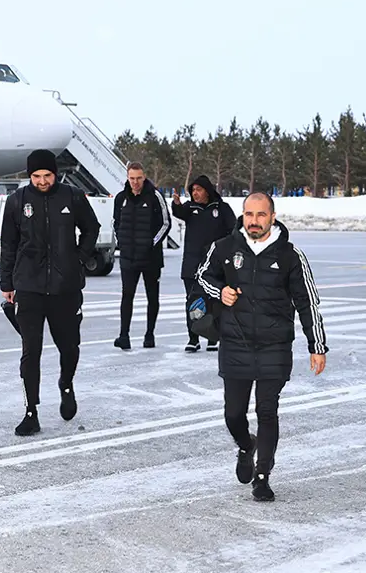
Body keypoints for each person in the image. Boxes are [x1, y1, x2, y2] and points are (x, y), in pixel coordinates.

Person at [196, 192, 328, 501]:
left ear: (272, 217)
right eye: (249, 214)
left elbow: (307, 303)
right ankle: (246, 445)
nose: (254, 221)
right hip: (235, 343)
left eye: (260, 215)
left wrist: (317, 345)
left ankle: (262, 476)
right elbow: (202, 277)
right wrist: (220, 291)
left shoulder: (290, 256)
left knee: (267, 410)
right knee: (233, 414)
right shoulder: (224, 248)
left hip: (274, 346)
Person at [0, 149, 101, 436]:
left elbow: (92, 229)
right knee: (31, 351)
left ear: (55, 174)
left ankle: (66, 384)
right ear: (29, 175)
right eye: (36, 176)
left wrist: (78, 259)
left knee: (69, 347)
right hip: (28, 286)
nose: (42, 181)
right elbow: (8, 243)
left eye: (47, 175)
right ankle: (31, 412)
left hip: (65, 288)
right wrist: (7, 283)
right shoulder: (17, 201)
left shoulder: (72, 196)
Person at [172, 174, 236, 352]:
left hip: (215, 264)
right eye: (193, 190)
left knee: (215, 301)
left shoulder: (221, 208)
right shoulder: (190, 207)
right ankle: (193, 338)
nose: (195, 193)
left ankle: (213, 337)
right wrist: (176, 204)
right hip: (192, 263)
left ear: (207, 191)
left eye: (198, 190)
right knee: (192, 301)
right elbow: (179, 213)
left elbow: (233, 230)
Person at [112, 162, 172, 350]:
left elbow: (166, 223)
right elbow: (116, 223)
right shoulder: (120, 198)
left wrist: (151, 244)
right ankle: (124, 335)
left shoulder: (155, 196)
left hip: (150, 258)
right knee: (126, 296)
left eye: (138, 178)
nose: (135, 182)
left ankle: (149, 334)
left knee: (152, 297)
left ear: (144, 177)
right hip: (128, 258)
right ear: (127, 177)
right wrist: (122, 242)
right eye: (132, 178)